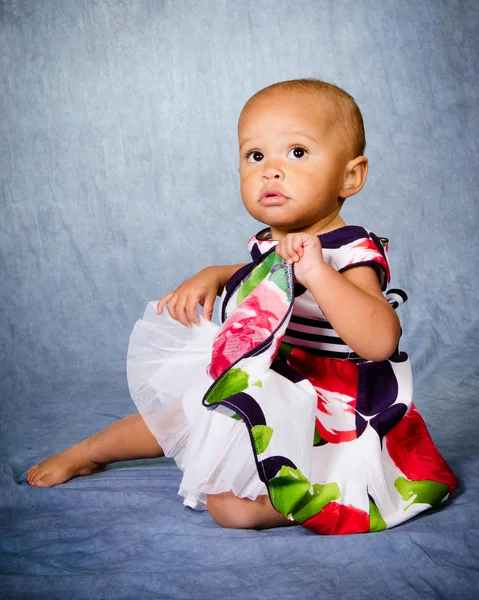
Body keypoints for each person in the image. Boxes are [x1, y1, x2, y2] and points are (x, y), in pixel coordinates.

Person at [27, 79, 456, 534]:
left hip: (329, 412)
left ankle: (312, 497)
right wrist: (215, 273)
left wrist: (319, 274)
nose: (271, 170)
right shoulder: (272, 242)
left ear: (350, 176)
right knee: (179, 414)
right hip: (273, 377)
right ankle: (88, 451)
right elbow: (271, 270)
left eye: (296, 153)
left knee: (229, 509)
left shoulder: (352, 252)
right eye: (256, 156)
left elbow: (380, 340)